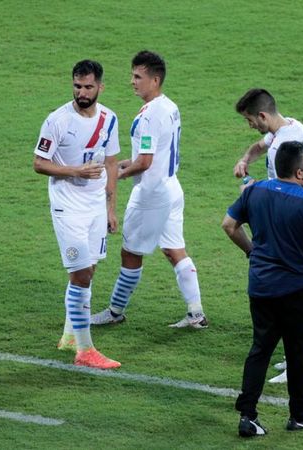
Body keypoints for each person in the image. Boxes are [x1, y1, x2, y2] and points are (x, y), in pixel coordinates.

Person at [221, 141, 303, 437]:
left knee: (260, 350)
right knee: (298, 353)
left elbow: (229, 225)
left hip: (260, 287)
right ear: (299, 173)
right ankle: (299, 416)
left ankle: (248, 417)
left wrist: (252, 252)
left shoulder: (254, 191)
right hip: (296, 291)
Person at [91, 50, 207, 329]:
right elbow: (154, 153)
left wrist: (117, 174)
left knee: (131, 252)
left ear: (154, 80)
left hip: (151, 194)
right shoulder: (169, 107)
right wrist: (123, 164)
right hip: (171, 187)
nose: (132, 81)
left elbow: (145, 161)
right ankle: (196, 313)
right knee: (174, 249)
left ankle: (115, 311)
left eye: (137, 77)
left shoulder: (149, 117)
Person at [33, 59, 121, 370]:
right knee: (80, 274)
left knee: (90, 270)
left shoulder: (109, 119)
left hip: (95, 206)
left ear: (100, 87)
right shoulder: (57, 120)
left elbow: (112, 163)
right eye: (77, 86)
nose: (81, 92)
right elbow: (39, 162)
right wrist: (75, 170)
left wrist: (111, 207)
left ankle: (70, 334)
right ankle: (84, 350)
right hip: (67, 206)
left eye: (88, 87)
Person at [234, 88, 303, 383]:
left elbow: (293, 188)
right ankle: (296, 359)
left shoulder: (286, 144)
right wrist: (245, 159)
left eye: (250, 119)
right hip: (286, 217)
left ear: (263, 115)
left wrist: (251, 189)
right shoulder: (289, 126)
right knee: (293, 290)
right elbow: (258, 145)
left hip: (293, 221)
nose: (250, 125)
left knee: (299, 292)